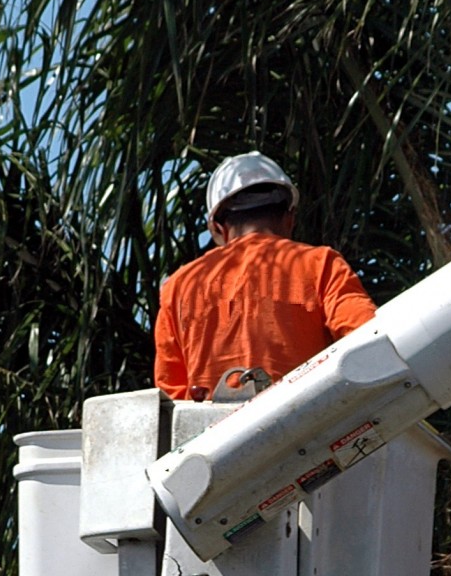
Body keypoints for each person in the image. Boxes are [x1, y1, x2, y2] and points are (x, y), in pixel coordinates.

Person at [153, 152, 377, 401]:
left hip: (214, 437)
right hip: (304, 422)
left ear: (217, 228)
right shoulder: (321, 264)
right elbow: (367, 337)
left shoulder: (179, 286)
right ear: (289, 218)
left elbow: (170, 396)